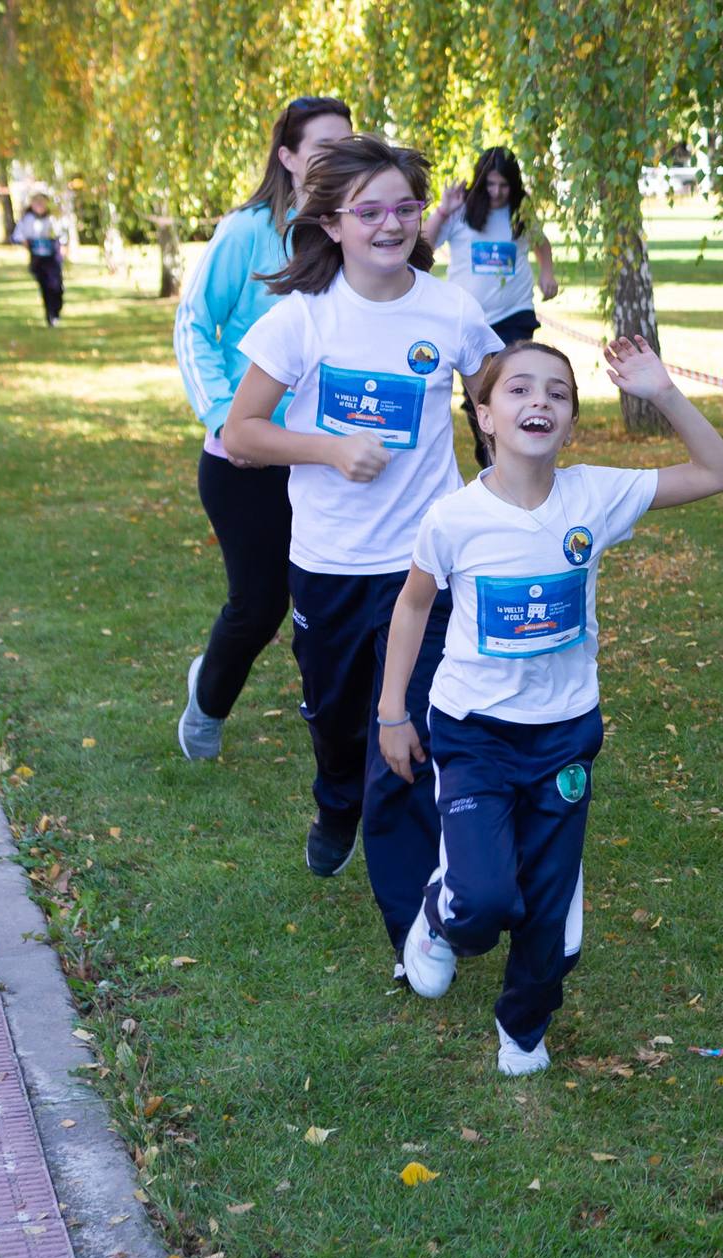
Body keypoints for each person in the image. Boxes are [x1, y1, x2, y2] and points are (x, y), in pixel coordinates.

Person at [384, 337, 723, 1074]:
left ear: (572, 422)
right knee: (482, 904)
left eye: (557, 392)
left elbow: (719, 471)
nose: (538, 401)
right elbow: (414, 606)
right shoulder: (453, 518)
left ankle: (523, 1027)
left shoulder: (595, 496)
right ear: (484, 415)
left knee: (550, 914)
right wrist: (394, 712)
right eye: (517, 390)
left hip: (564, 737)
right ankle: (438, 917)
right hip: (475, 733)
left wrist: (664, 392)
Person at [223, 134, 502, 969]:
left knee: (405, 734)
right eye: (370, 210)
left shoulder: (449, 309)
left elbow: (496, 399)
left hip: (424, 563)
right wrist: (328, 449)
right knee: (340, 724)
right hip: (330, 565)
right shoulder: (301, 318)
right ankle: (334, 799)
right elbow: (241, 434)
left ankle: (417, 930)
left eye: (405, 209)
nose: (390, 223)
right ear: (333, 222)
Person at [172, 95, 354, 763]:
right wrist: (224, 417)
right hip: (245, 457)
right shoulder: (247, 231)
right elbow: (193, 324)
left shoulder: (351, 229)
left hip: (330, 453)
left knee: (329, 596)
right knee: (259, 605)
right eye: (320, 148)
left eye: (347, 144)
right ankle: (207, 705)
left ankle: (338, 734)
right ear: (287, 156)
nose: (335, 159)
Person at [422, 146, 560, 468]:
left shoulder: (521, 211)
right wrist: (442, 211)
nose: (497, 192)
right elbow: (424, 246)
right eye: (491, 185)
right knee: (480, 396)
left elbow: (541, 243)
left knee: (517, 386)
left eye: (504, 185)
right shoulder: (461, 211)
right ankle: (491, 459)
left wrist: (547, 274)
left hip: (514, 313)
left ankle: (519, 459)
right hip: (470, 321)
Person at [12, 191, 67, 327]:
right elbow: (17, 235)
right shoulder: (27, 219)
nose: (40, 205)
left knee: (56, 287)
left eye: (42, 202)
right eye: (37, 202)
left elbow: (62, 234)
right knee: (45, 287)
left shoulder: (53, 218)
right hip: (38, 259)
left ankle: (56, 310)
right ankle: (50, 315)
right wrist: (24, 241)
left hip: (52, 258)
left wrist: (63, 246)